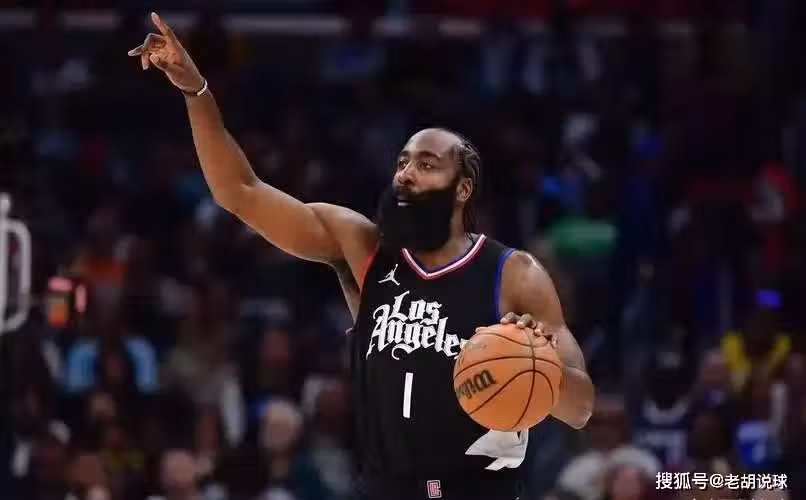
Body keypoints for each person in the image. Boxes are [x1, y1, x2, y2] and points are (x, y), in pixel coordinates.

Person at [128, 13, 594, 500]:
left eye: (427, 165)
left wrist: (538, 365)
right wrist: (196, 91)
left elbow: (581, 409)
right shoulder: (363, 247)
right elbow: (239, 191)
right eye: (403, 162)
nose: (406, 174)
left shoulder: (513, 274)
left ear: (463, 189)